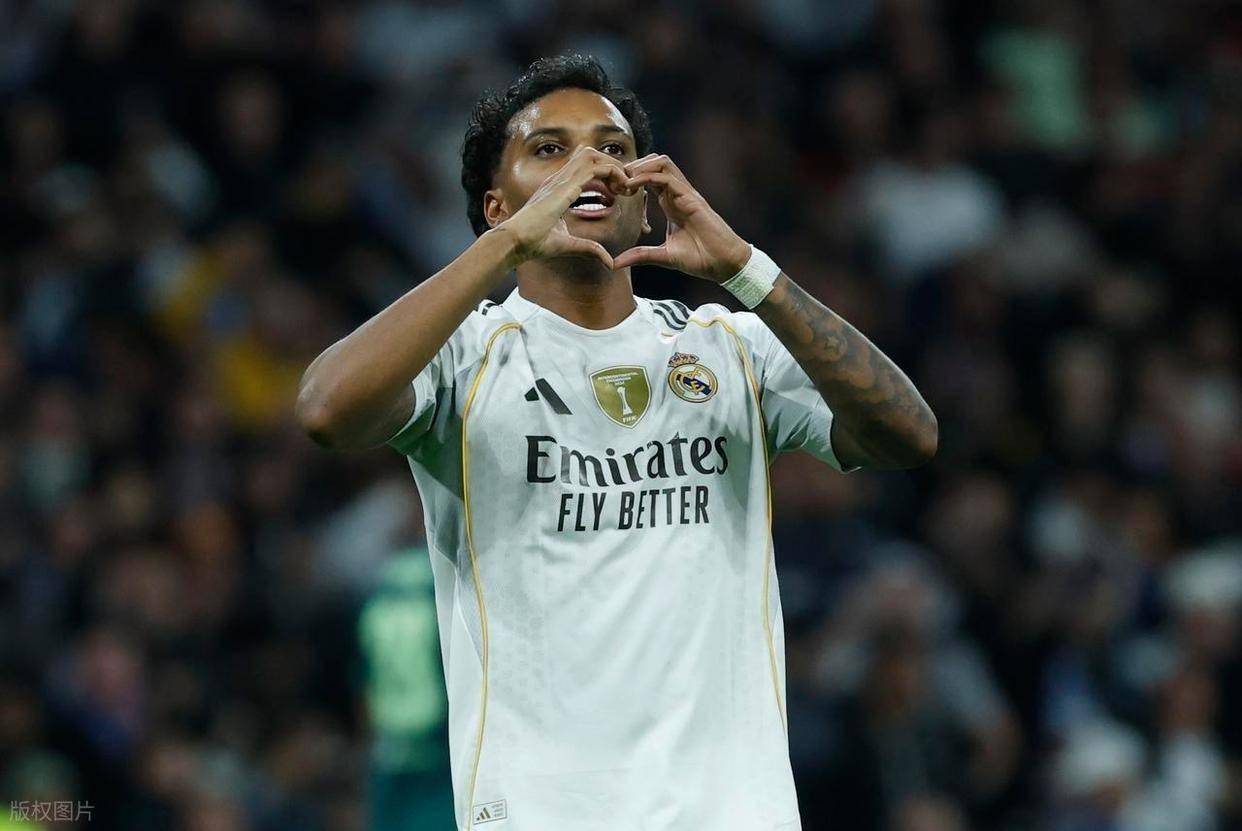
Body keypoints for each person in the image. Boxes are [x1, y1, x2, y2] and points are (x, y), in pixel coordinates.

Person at [296, 54, 937, 831]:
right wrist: (507, 247)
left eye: (614, 148)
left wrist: (747, 271)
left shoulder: (730, 346)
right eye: (550, 150)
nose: (590, 166)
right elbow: (327, 409)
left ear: (643, 192)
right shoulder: (463, 358)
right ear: (498, 206)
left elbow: (909, 435)